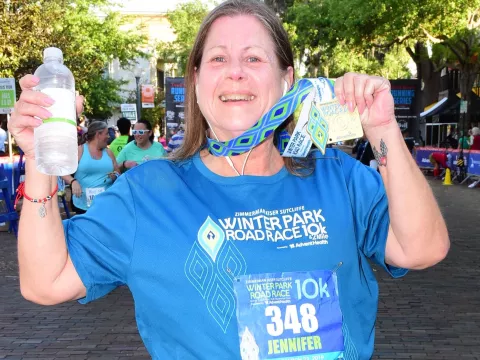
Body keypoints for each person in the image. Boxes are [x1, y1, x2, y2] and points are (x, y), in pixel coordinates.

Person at [9, 1, 449, 359]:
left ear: (287, 79)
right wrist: (40, 159)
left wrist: (384, 129)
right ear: (197, 80)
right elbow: (45, 282)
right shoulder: (148, 195)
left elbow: (424, 248)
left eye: (254, 58)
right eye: (218, 58)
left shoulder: (338, 177)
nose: (235, 71)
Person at [61, 121, 120, 215]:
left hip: (106, 204)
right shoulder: (80, 150)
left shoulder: (109, 153)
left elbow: (117, 171)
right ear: (98, 134)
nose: (109, 137)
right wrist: (73, 181)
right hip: (82, 204)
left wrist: (115, 175)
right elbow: (62, 171)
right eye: (106, 134)